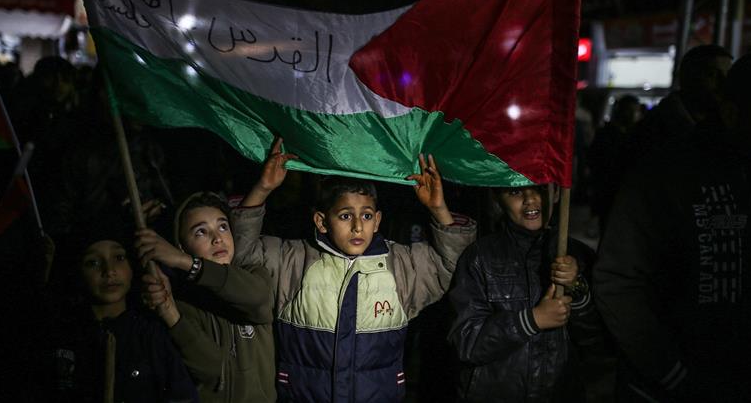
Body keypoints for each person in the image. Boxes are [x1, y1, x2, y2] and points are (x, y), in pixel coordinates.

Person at [593, 51, 751, 402]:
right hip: (680, 383)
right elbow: (618, 278)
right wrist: (669, 371)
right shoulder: (667, 171)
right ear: (732, 113)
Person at [230, 138, 477, 402]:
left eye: (367, 216)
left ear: (377, 221)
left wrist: (439, 209)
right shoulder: (294, 260)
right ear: (322, 221)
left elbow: (456, 267)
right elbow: (240, 254)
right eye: (346, 216)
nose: (358, 226)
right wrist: (262, 189)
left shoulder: (400, 265)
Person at [447, 184, 601, 402]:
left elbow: (598, 342)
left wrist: (576, 287)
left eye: (540, 189)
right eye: (515, 191)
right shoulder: (479, 257)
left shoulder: (579, 257)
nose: (530, 199)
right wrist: (531, 320)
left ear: (557, 192)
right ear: (498, 199)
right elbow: (466, 343)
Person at [135, 190, 277, 403]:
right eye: (201, 232)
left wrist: (186, 262)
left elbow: (257, 298)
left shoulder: (254, 275)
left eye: (223, 227)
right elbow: (214, 371)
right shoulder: (184, 301)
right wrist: (171, 313)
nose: (217, 238)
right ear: (181, 246)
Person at [40, 217, 198, 403]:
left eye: (119, 258)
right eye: (93, 262)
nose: (109, 271)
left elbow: (183, 396)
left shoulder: (149, 333)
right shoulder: (64, 334)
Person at [588, 94, 642, 234]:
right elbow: (595, 162)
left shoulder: (636, 136)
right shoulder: (606, 134)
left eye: (635, 111)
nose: (632, 115)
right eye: (629, 110)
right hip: (609, 193)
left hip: (628, 195)